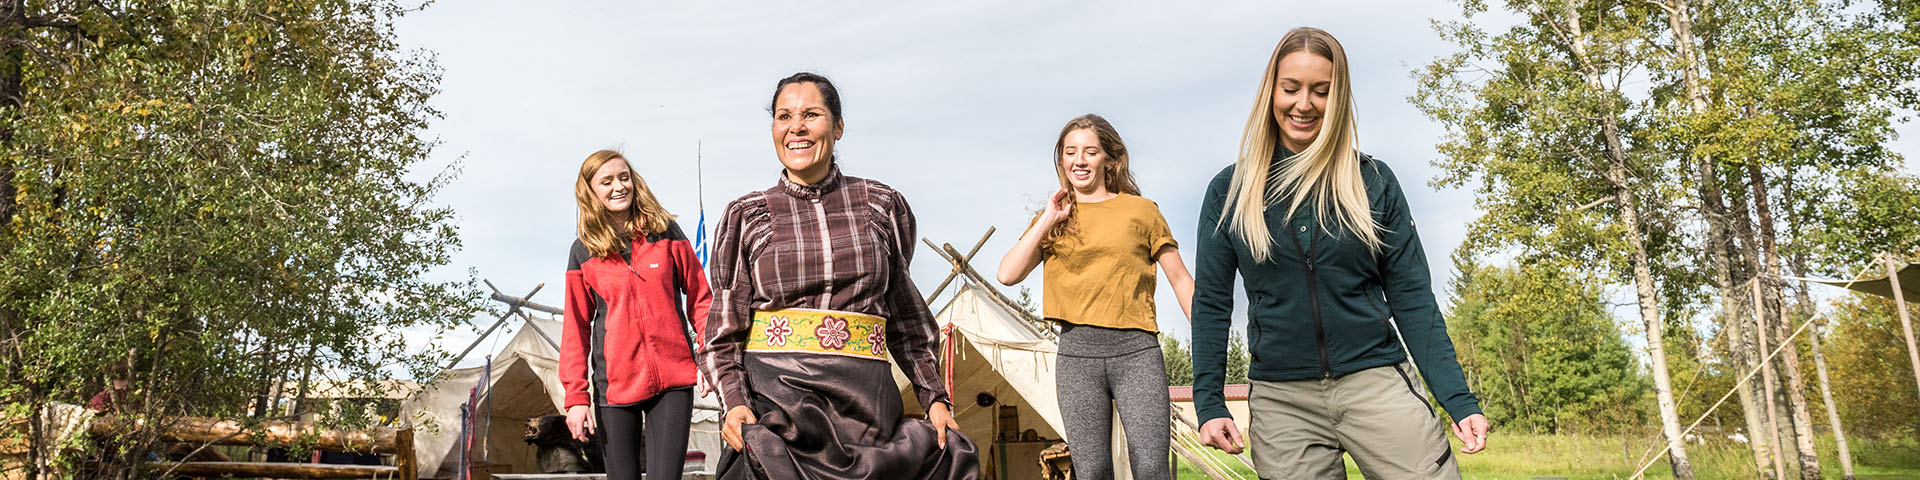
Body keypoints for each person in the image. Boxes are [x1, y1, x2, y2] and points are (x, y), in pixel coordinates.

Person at [1189, 27, 1492, 479]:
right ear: (1271, 91)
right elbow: (1211, 304)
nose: (1304, 104)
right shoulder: (1228, 191)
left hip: (1376, 382)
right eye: (1291, 88)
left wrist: (1457, 398)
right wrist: (1210, 403)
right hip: (1281, 399)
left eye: (1321, 91)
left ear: (1339, 97)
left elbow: (1412, 297)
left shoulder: (1374, 181)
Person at [702, 72, 978, 480]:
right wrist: (735, 401)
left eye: (811, 114)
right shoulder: (745, 216)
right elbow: (723, 330)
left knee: (946, 455)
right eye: (784, 116)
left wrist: (935, 398)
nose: (796, 127)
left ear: (839, 126)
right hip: (781, 408)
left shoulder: (882, 206)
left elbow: (906, 318)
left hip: (868, 406)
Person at [994, 114, 1192, 480]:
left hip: (1137, 353)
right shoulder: (1053, 219)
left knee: (1151, 467)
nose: (1079, 161)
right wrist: (1048, 218)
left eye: (1090, 152)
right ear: (1061, 160)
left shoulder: (1142, 211)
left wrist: (1209, 337)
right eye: (1070, 153)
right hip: (1076, 356)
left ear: (1109, 159)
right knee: (1092, 470)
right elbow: (1007, 274)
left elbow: (1180, 279)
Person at [561, 149, 713, 480]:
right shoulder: (582, 252)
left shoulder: (666, 232)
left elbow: (701, 297)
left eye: (624, 177)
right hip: (614, 388)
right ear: (591, 191)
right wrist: (576, 397)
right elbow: (575, 328)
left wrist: (707, 353)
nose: (619, 187)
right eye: (607, 181)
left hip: (673, 380)